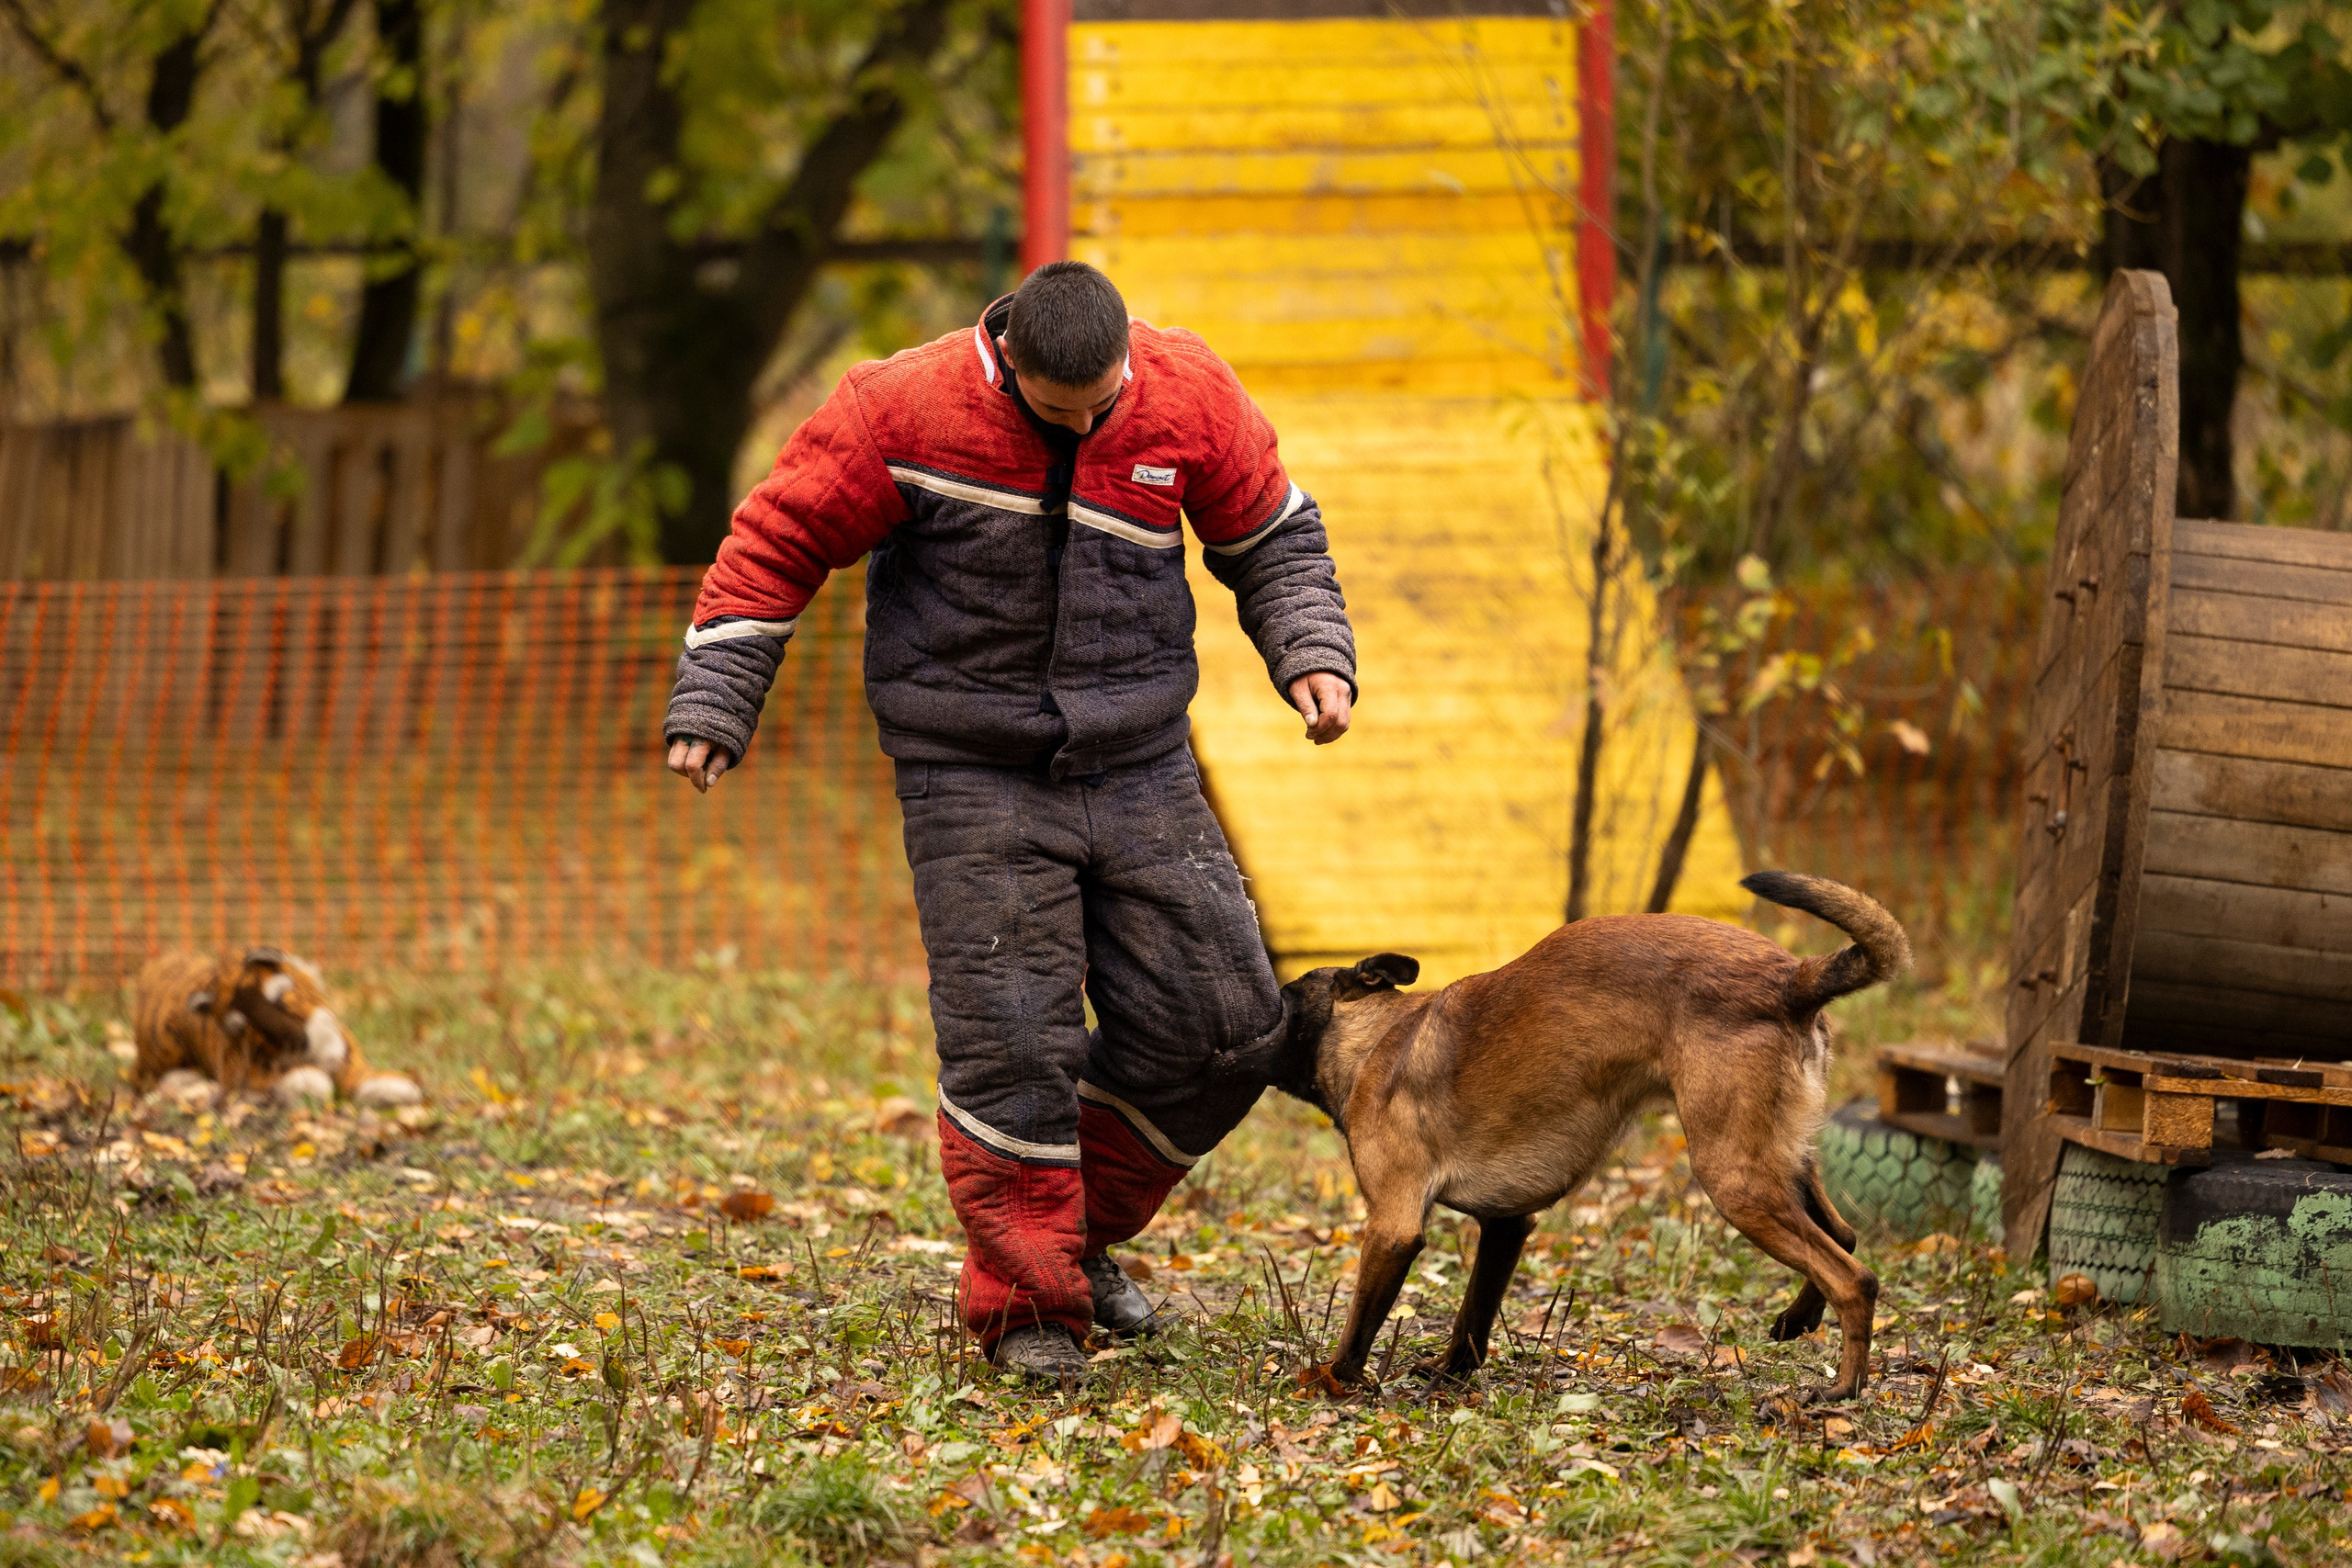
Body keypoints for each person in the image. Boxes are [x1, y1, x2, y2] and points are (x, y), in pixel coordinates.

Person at [662, 261, 1356, 1382]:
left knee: (1228, 1028)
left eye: (1103, 403)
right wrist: (714, 702)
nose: (1084, 422)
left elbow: (1272, 536)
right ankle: (1030, 1311)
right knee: (1013, 1041)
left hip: (1139, 762)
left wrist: (1312, 656)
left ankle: (1069, 1238)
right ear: (1007, 361)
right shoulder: (900, 408)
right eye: (1057, 408)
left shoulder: (1190, 395)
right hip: (968, 769)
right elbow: (776, 541)